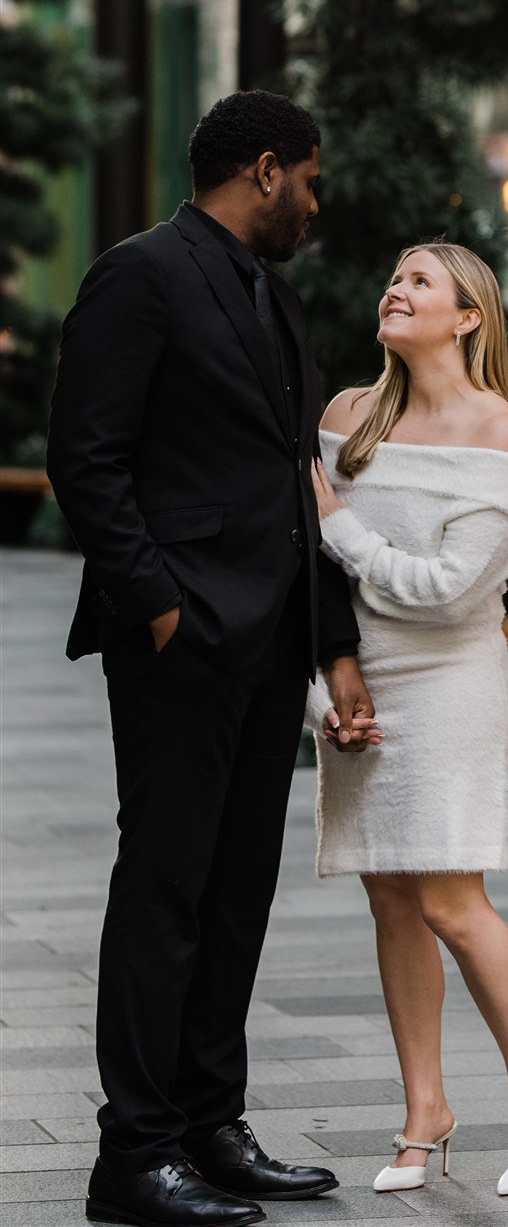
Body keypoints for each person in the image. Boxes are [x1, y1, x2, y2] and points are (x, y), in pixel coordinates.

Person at [47, 91, 378, 1227]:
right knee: (166, 891)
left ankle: (207, 1123)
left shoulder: (268, 294)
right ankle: (132, 1157)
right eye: (313, 180)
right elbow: (85, 458)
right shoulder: (140, 273)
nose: (318, 203)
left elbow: (299, 482)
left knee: (235, 895)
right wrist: (159, 611)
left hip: (268, 638)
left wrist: (331, 642)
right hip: (183, 643)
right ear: (269, 169)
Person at [309, 241, 508, 1200]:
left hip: (452, 681)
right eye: (393, 277)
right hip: (356, 688)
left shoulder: (499, 432)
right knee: (389, 901)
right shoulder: (348, 416)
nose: (395, 288)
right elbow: (310, 582)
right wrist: (326, 699)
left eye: (420, 281)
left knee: (453, 905)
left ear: (468, 316)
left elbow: (452, 594)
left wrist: (338, 524)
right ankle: (426, 1110)